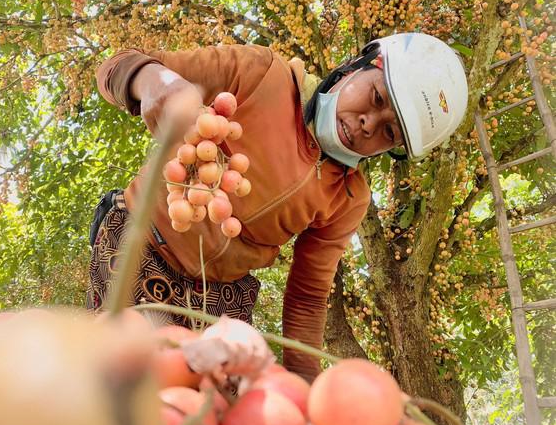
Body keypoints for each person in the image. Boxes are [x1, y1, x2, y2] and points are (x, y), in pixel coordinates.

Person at [88, 33, 468, 381]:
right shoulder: (260, 74)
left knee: (225, 402)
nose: (370, 123)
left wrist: (304, 387)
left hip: (220, 294)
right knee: (142, 377)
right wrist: (153, 79)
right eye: (377, 98)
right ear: (356, 67)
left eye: (388, 132)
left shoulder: (348, 198)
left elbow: (307, 294)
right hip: (139, 245)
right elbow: (116, 67)